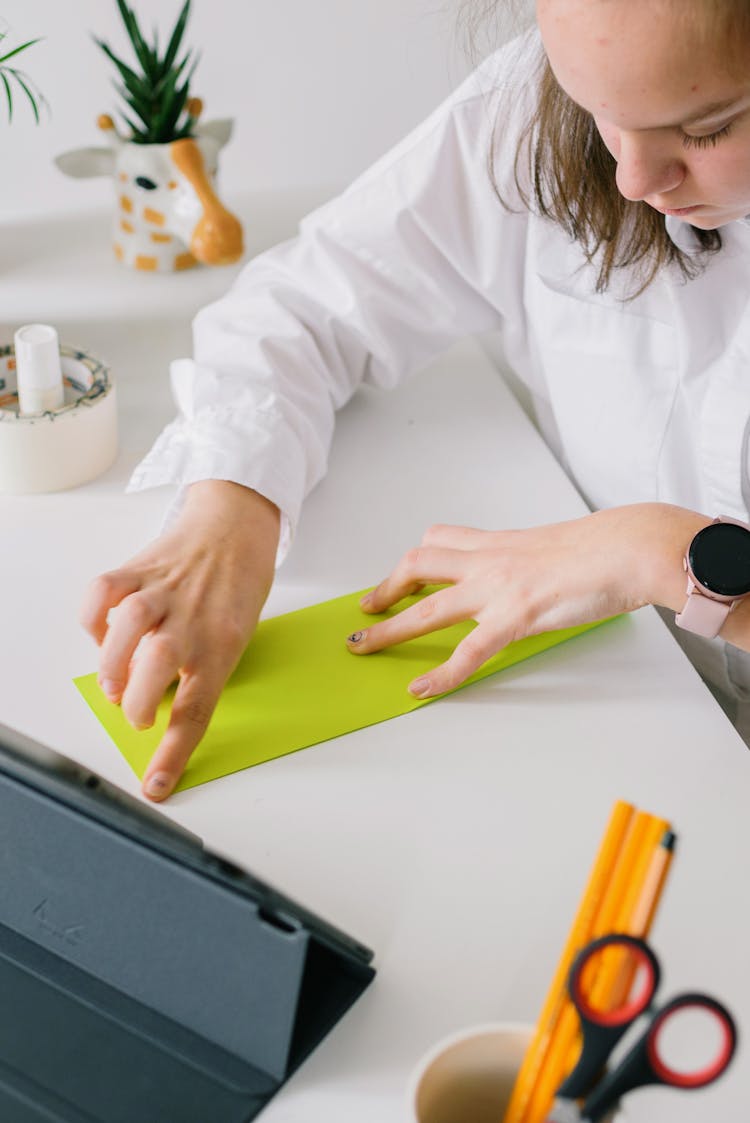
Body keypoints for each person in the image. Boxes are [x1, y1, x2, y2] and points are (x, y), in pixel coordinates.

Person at [81, 0, 750, 802]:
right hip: (629, 712)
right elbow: (306, 301)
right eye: (598, 109)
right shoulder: (524, 107)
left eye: (707, 127)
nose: (632, 180)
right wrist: (231, 511)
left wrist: (654, 551)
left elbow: (653, 557)